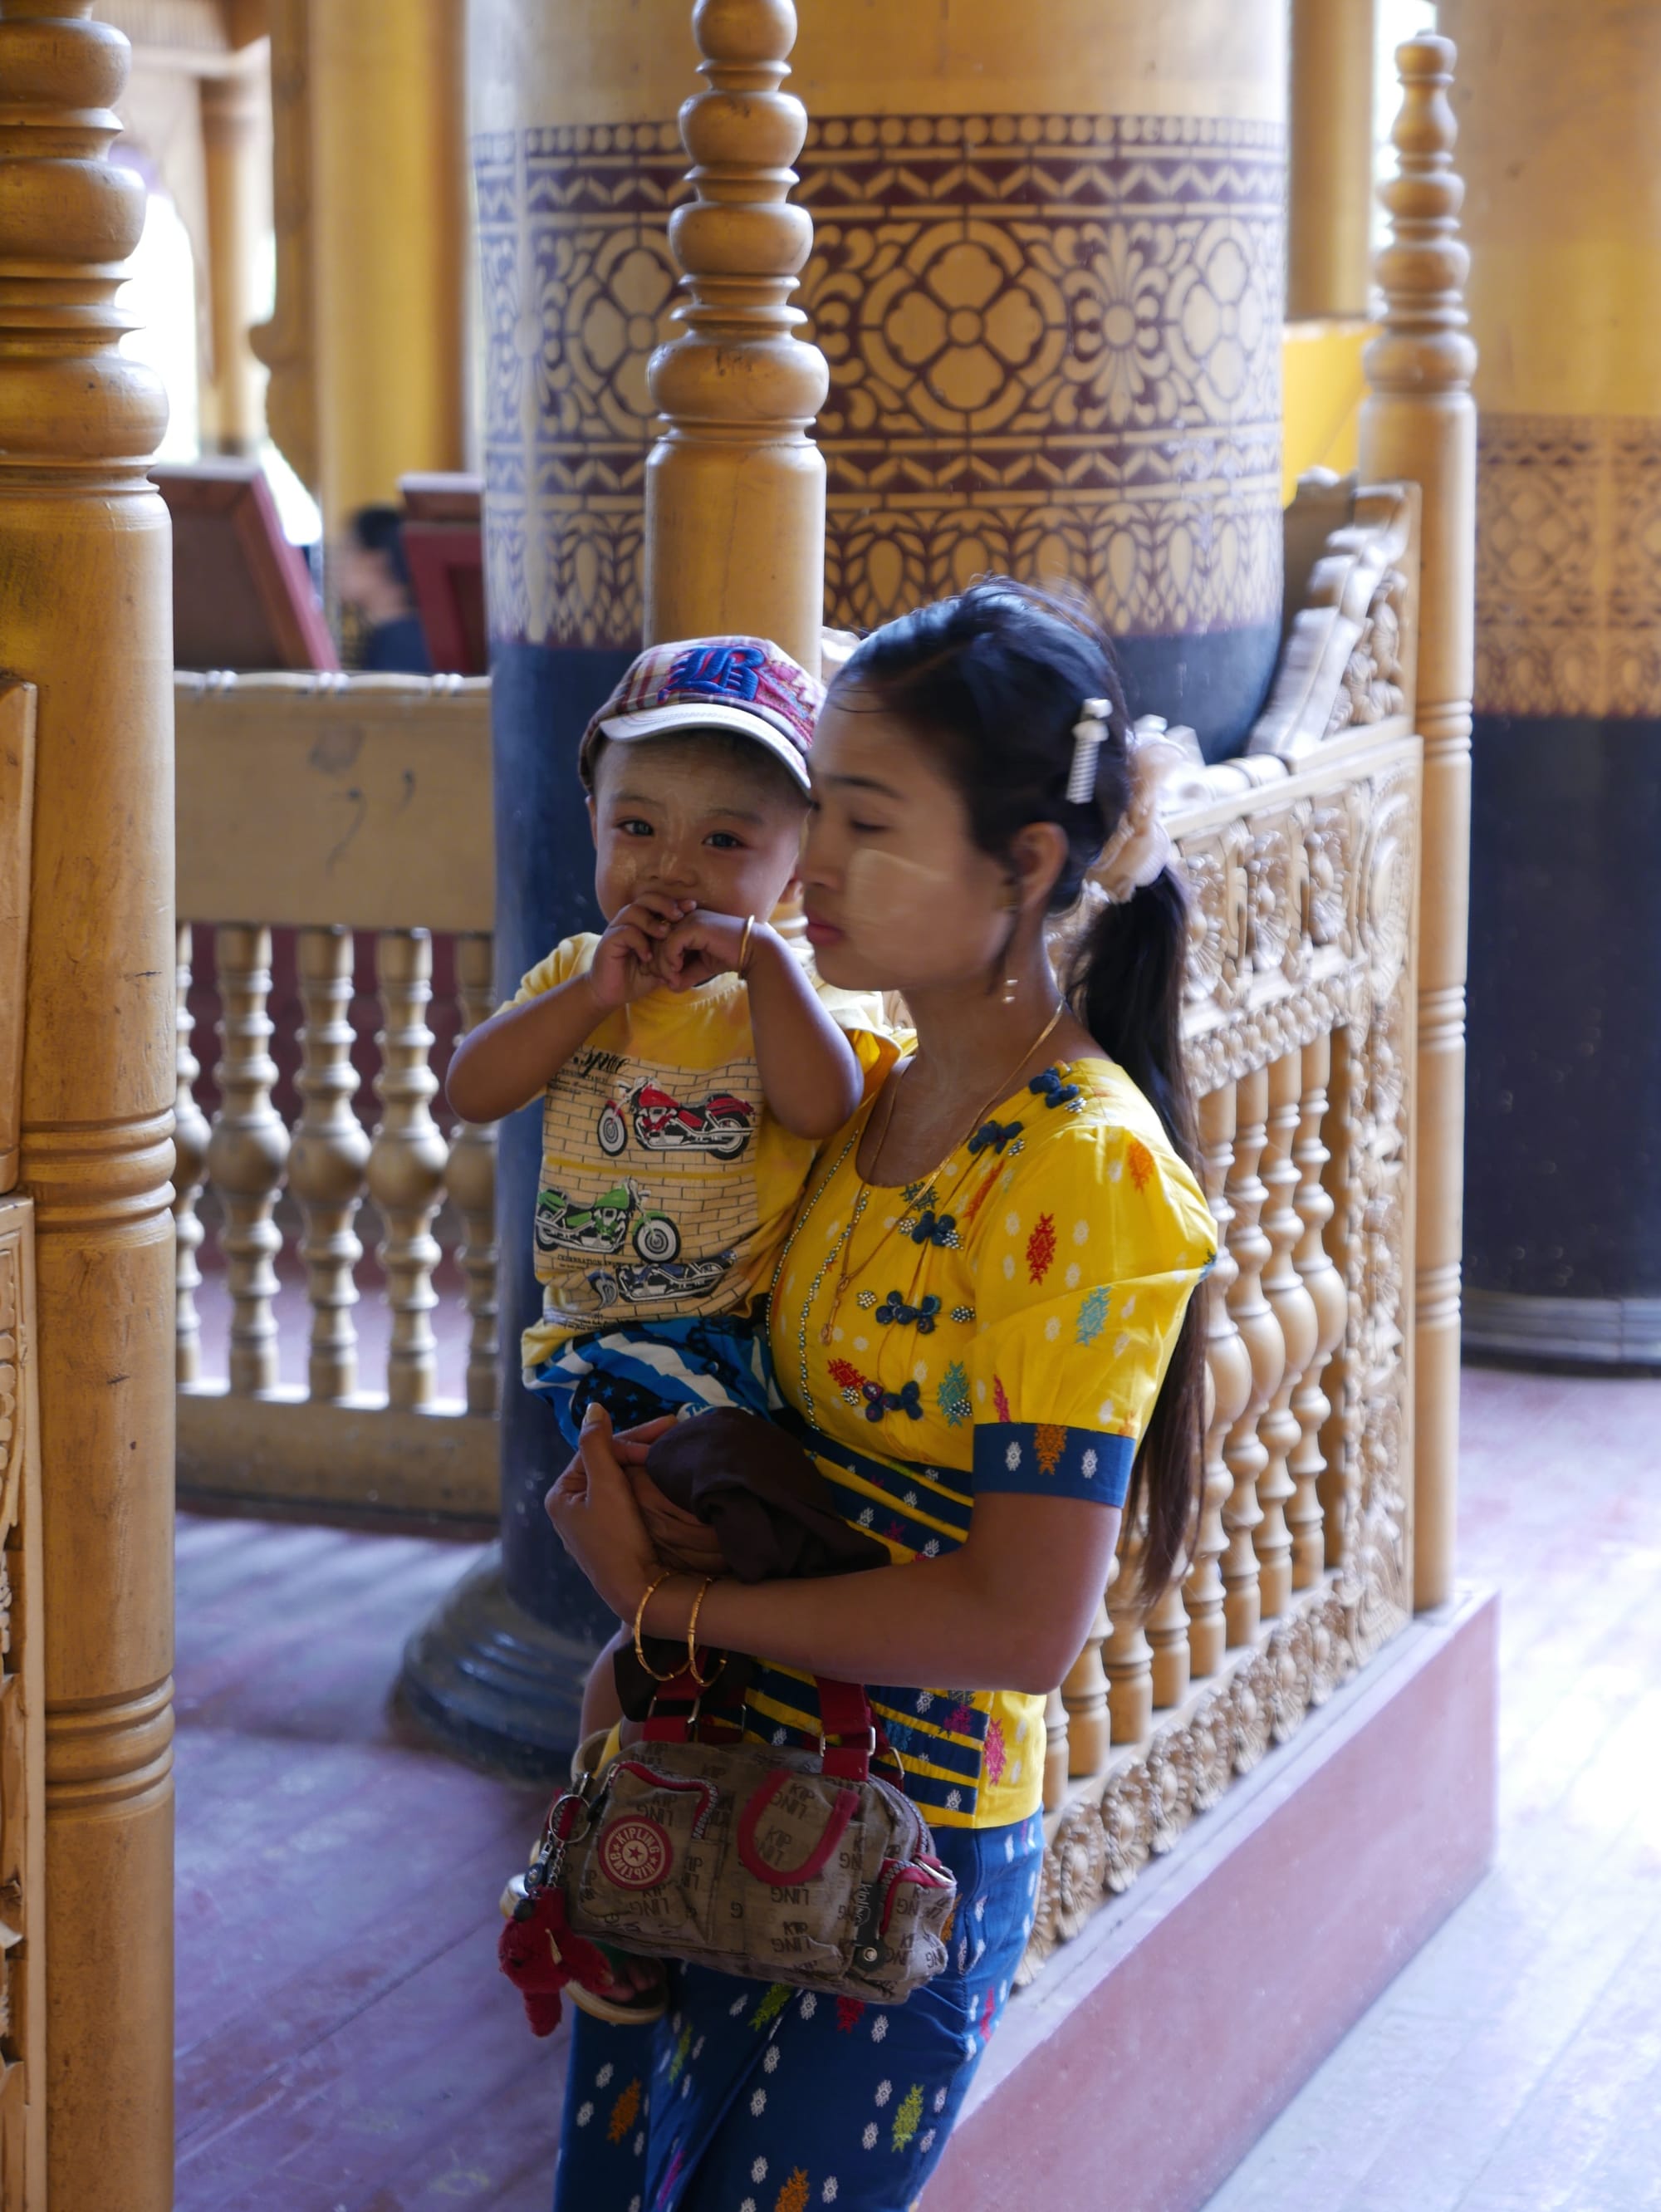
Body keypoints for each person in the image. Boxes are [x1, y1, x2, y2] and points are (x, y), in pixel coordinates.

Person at [544, 580, 1218, 2212]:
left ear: (1026, 864)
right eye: (817, 812)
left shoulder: (1085, 1170)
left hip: (888, 1845)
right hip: (700, 1773)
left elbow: (1020, 1624)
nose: (814, 863)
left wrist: (672, 1603)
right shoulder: (865, 1097)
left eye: (867, 820)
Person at [446, 635, 875, 1457]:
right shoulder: (578, 972)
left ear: (796, 863)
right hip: (602, 1337)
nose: (670, 870)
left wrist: (764, 962)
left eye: (723, 841)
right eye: (637, 826)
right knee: (704, 1469)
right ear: (594, 824)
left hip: (748, 1335)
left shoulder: (793, 990)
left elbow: (822, 1109)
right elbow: (472, 1091)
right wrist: (589, 998)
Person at [335, 504, 433, 674]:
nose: (340, 564)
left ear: (377, 561)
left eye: (348, 550)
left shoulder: (400, 642)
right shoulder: (401, 634)